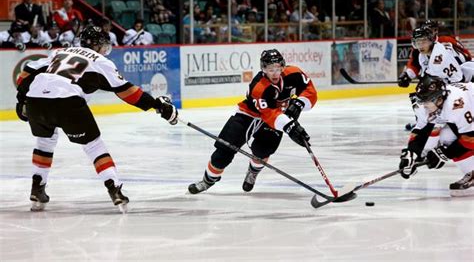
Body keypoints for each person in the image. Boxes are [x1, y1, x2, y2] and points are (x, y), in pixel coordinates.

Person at [15, 26, 178, 212]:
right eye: (103, 45)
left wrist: (21, 101)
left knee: (44, 142)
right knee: (94, 146)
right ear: (98, 45)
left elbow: (24, 74)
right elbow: (127, 92)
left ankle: (37, 188)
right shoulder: (100, 61)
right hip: (67, 100)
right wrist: (157, 105)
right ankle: (114, 189)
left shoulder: (59, 52)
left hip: (36, 100)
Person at [188, 49, 316, 194]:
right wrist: (289, 127)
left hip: (276, 117)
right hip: (248, 115)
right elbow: (269, 115)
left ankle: (253, 172)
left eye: (278, 68)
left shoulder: (294, 74)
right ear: (263, 69)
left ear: (283, 66)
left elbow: (310, 91)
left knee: (262, 151)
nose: (274, 73)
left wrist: (299, 104)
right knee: (224, 151)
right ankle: (207, 181)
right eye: (270, 69)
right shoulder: (259, 87)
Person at [399, 74, 474, 197]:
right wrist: (411, 153)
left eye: (427, 101)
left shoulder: (456, 105)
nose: (424, 105)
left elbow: (471, 138)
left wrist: (445, 154)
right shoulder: (430, 104)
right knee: (446, 138)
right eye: (422, 101)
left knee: (458, 140)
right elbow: (422, 129)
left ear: (438, 99)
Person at [398, 20, 472, 88]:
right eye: (418, 43)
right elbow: (415, 63)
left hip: (463, 76)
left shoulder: (443, 45)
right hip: (455, 77)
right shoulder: (421, 52)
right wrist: (408, 75)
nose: (421, 45)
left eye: (424, 41)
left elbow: (457, 78)